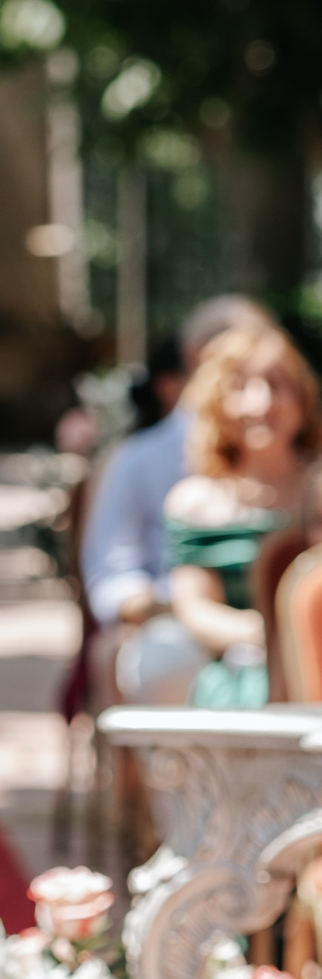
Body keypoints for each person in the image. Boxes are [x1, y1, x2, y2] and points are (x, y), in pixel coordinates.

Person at [84, 296, 275, 704]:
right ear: (195, 357)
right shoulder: (140, 461)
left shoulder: (292, 464)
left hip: (268, 626)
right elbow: (113, 577)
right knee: (165, 660)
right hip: (176, 628)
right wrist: (185, 609)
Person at [162, 324, 321, 707]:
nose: (261, 403)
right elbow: (194, 606)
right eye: (241, 388)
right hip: (241, 670)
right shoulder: (195, 502)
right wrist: (266, 634)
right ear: (218, 405)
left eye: (277, 385)